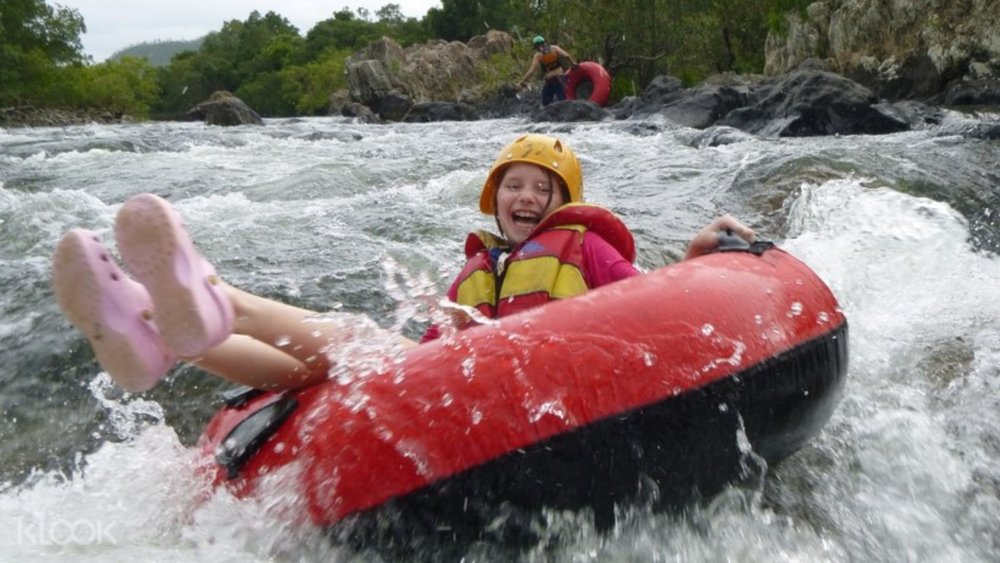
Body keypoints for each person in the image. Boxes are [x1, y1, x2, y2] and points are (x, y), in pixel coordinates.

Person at [51, 134, 754, 394]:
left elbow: (652, 305)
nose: (528, 196)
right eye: (515, 185)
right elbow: (425, 364)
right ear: (494, 199)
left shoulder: (586, 247)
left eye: (544, 190)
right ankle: (162, 331)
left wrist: (693, 258)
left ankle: (217, 299)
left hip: (542, 386)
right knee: (319, 369)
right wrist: (451, 324)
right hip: (478, 390)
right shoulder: (472, 277)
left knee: (356, 340)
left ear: (563, 205)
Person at [517, 36, 579, 106]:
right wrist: (573, 63)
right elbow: (566, 55)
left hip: (551, 79)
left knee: (546, 101)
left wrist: (523, 81)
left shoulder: (538, 55)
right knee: (562, 98)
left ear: (536, 46)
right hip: (560, 75)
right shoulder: (554, 48)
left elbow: (532, 71)